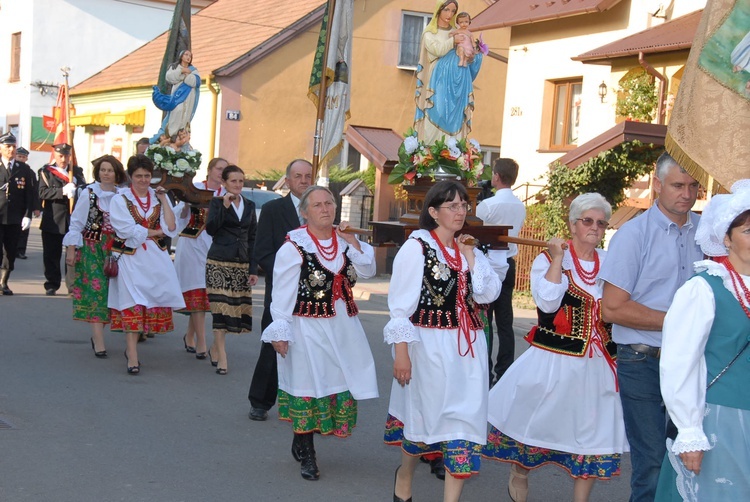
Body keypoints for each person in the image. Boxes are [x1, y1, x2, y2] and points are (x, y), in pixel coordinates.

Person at [483, 193, 627, 502]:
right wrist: (559, 259)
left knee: (594, 433)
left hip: (599, 363)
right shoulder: (548, 259)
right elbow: (547, 301)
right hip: (555, 359)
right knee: (537, 421)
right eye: (587, 221)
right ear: (573, 225)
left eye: (601, 223)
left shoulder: (610, 262)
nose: (595, 227)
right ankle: (520, 470)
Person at [385, 180, 500, 502]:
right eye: (453, 205)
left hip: (469, 350)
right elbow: (400, 309)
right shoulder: (417, 247)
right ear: (434, 212)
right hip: (429, 348)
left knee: (464, 425)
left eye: (464, 205)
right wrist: (402, 355)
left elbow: (488, 293)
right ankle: (404, 476)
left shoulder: (469, 249)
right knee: (422, 420)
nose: (461, 211)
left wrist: (471, 255)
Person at [599, 152, 702, 502]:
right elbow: (611, 308)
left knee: (688, 460)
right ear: (657, 184)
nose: (686, 194)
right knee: (653, 463)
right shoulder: (633, 235)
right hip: (642, 361)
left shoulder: (709, 234)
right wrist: (679, 322)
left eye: (693, 186)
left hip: (694, 362)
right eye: (677, 185)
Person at [261, 185, 378, 481]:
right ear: (304, 212)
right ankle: (309, 453)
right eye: (317, 205)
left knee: (336, 381)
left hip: (342, 326)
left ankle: (302, 438)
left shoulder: (344, 242)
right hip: (307, 327)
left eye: (329, 203)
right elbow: (282, 293)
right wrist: (281, 330)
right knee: (308, 384)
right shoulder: (294, 247)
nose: (325, 209)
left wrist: (353, 242)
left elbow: (368, 271)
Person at [654, 180, 750, 501]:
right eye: (748, 231)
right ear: (727, 237)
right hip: (722, 421)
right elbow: (679, 363)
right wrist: (690, 432)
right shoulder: (703, 288)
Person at [247, 159, 312, 421]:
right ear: (287, 180)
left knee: (309, 347)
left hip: (313, 294)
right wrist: (291, 272)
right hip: (282, 292)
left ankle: (307, 403)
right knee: (273, 344)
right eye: (298, 176)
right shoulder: (274, 209)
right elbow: (262, 252)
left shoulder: (321, 208)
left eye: (308, 176)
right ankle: (260, 402)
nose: (304, 181)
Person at [108, 154, 185, 374]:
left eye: (147, 176)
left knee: (149, 302)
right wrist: (155, 231)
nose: (143, 180)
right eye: (139, 176)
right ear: (130, 177)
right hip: (129, 259)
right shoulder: (120, 199)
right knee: (131, 303)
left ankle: (133, 348)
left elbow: (171, 227)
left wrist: (163, 201)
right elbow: (124, 229)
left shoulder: (157, 197)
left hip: (154, 260)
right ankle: (132, 354)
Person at [63, 155, 126, 357]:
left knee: (112, 293)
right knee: (96, 293)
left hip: (116, 249)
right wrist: (72, 249)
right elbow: (77, 223)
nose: (106, 174)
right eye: (103, 170)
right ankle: (99, 341)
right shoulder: (89, 193)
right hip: (92, 247)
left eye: (110, 170)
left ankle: (98, 333)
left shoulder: (123, 195)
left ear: (117, 173)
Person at [204, 164, 258, 375]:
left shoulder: (251, 205)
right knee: (220, 308)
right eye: (233, 181)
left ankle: (215, 347)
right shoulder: (217, 203)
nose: (237, 185)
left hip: (241, 264)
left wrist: (253, 268)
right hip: (218, 262)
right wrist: (224, 207)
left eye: (241, 181)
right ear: (224, 183)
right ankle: (223, 356)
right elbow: (211, 230)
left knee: (233, 310)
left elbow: (253, 237)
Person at [476, 158, 525, 384]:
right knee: (505, 320)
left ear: (496, 176)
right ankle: (504, 370)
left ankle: (484, 369)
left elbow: (476, 230)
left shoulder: (488, 205)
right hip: (509, 261)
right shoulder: (520, 205)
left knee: (485, 317)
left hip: (487, 262)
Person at [174, 157, 227, 359]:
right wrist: (187, 203)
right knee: (197, 290)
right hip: (193, 243)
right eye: (219, 168)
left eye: (225, 169)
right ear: (210, 170)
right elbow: (180, 215)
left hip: (215, 245)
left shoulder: (227, 193)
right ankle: (202, 342)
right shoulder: (196, 188)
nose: (221, 172)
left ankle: (189, 335)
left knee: (206, 295)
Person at [413, 0, 483, 145]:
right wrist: (453, 41)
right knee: (437, 110)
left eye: (453, 11)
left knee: (456, 117)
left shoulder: (460, 33)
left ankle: (453, 151)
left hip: (459, 83)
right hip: (438, 82)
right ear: (438, 10)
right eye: (446, 10)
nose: (449, 14)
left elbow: (470, 63)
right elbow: (437, 50)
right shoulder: (430, 33)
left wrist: (476, 54)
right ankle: (431, 150)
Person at [38, 143, 87, 296]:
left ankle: (72, 287)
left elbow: (85, 190)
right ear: (55, 155)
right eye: (60, 156)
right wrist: (62, 191)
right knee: (51, 254)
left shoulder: (76, 172)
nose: (64, 159)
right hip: (53, 219)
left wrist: (77, 189)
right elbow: (42, 192)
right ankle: (51, 284)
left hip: (73, 219)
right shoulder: (46, 172)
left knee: (73, 255)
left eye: (66, 156)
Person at [0, 133, 35, 295]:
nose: (11, 149)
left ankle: (3, 282)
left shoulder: (24, 169)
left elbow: (30, 194)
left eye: (13, 146)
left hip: (14, 217)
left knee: (10, 251)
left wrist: (28, 215)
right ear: (1, 148)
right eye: (8, 146)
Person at [152, 49, 200, 139]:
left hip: (189, 96)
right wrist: (181, 72)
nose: (188, 57)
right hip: (178, 95)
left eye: (190, 56)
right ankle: (171, 134)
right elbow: (170, 78)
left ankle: (182, 134)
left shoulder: (193, 70)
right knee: (177, 110)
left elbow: (196, 82)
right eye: (186, 55)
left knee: (186, 114)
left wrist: (186, 76)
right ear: (181, 56)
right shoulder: (174, 67)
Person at [14, 146, 38, 260]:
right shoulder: (11, 169)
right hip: (12, 205)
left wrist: (36, 207)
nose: (21, 159)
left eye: (23, 157)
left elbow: (34, 191)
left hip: (24, 206)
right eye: (19, 156)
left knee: (24, 229)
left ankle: (20, 250)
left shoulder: (30, 172)